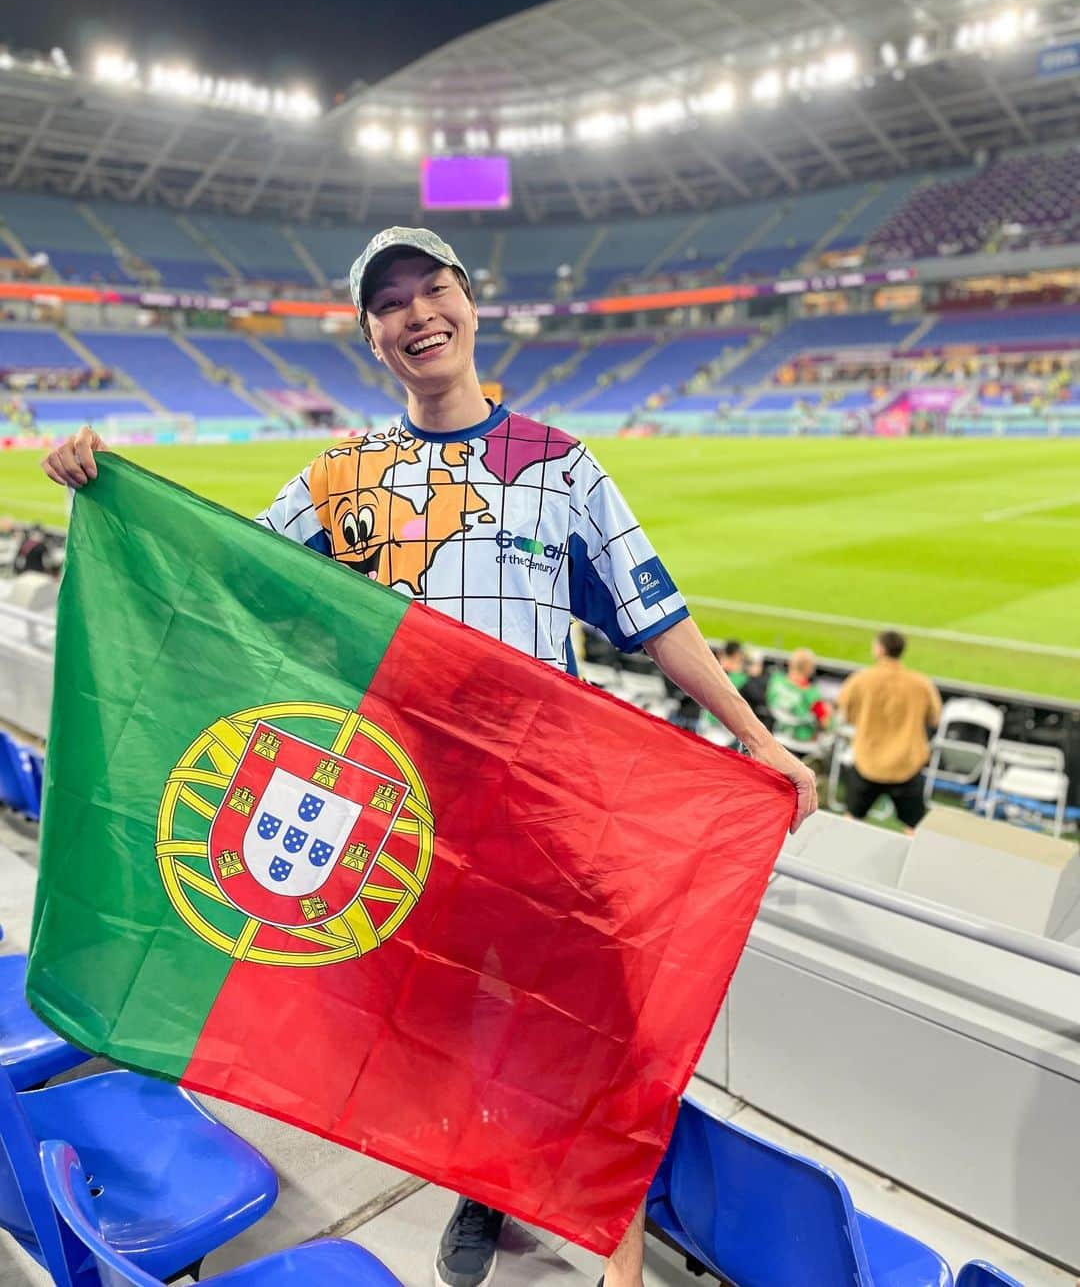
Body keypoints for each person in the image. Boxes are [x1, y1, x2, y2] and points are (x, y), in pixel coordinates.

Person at [42, 225, 817, 1287]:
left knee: (597, 1030)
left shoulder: (559, 467)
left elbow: (656, 615)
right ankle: (482, 1185)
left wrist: (759, 735)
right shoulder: (342, 477)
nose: (419, 314)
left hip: (552, 801)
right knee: (450, 1024)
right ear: (370, 335)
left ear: (469, 303)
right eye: (391, 302)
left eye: (433, 288)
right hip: (407, 811)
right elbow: (224, 579)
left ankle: (619, 1258)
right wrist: (104, 490)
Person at [837, 630, 942, 834]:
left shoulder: (860, 680)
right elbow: (934, 718)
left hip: (868, 762)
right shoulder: (921, 683)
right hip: (905, 764)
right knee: (914, 828)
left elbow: (845, 713)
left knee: (850, 820)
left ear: (879, 649)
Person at [765, 648, 831, 748]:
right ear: (809, 668)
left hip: (778, 734)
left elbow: (768, 702)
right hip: (801, 742)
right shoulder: (811, 694)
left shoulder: (775, 682)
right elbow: (826, 724)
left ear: (790, 663)